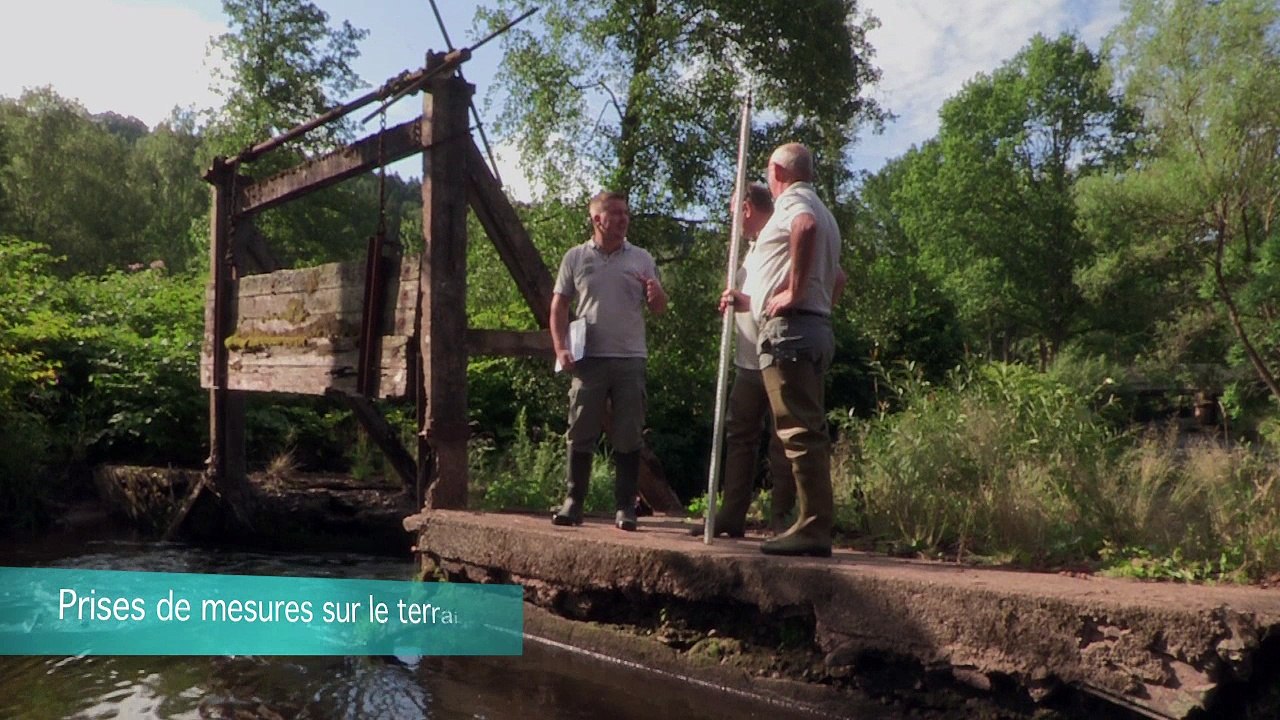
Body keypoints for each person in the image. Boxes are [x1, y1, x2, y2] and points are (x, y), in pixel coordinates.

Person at [730, 143, 844, 557]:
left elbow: (805, 227)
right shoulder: (823, 207)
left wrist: (795, 292)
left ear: (777, 171)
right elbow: (838, 275)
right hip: (812, 327)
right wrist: (799, 300)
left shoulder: (796, 204)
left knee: (798, 433)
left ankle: (812, 528)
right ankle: (808, 524)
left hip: (791, 334)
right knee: (807, 428)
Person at [550, 191, 668, 531]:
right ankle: (573, 502)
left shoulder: (641, 258)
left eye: (625, 213)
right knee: (580, 429)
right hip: (590, 359)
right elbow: (558, 306)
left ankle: (625, 509)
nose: (622, 219)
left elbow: (659, 308)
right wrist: (560, 348)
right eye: (615, 213)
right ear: (597, 219)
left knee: (628, 434)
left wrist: (658, 296)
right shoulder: (575, 257)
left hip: (631, 357)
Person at [693, 182, 795, 538]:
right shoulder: (751, 249)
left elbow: (827, 280)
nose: (732, 219)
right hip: (747, 359)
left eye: (734, 211)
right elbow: (752, 295)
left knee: (784, 439)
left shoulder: (782, 236)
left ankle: (784, 521)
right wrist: (733, 302)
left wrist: (792, 307)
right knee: (740, 437)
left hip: (780, 356)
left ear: (747, 208)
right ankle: (731, 516)